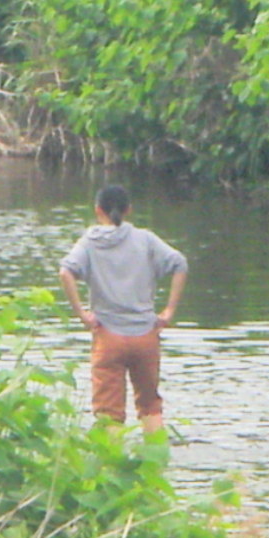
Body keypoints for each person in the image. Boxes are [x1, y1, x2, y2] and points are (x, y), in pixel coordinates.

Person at [59, 185, 187, 435]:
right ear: (129, 210)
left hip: (108, 336)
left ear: (98, 210)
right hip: (145, 337)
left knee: (109, 413)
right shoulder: (146, 239)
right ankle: (157, 463)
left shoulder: (89, 243)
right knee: (150, 406)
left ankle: (111, 468)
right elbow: (180, 264)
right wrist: (169, 311)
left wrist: (82, 314)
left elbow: (65, 272)